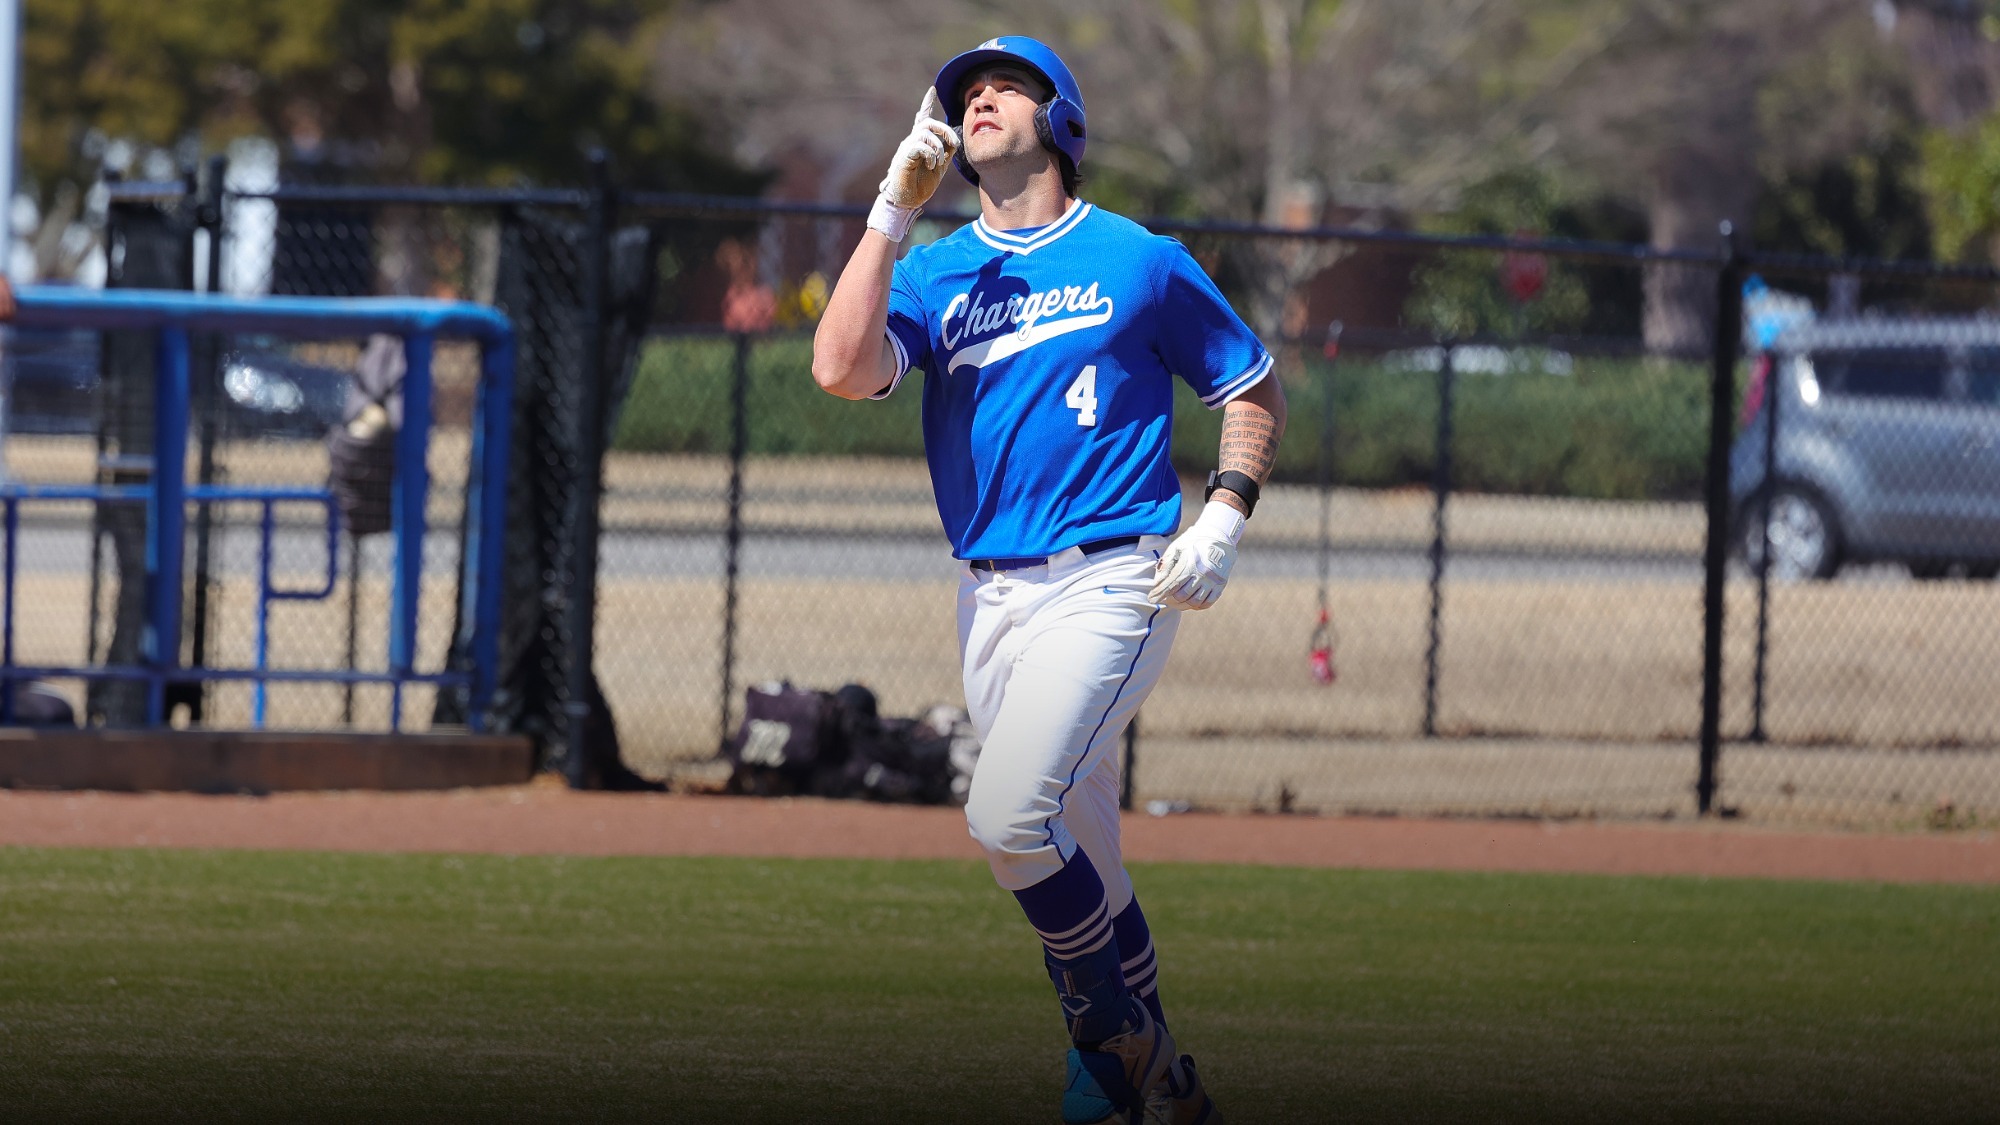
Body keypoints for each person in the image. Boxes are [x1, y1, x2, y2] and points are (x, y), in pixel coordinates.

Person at [811, 36, 1283, 1125]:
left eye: (1004, 85)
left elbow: (1250, 388)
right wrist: (889, 213)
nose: (977, 97)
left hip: (1111, 579)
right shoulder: (934, 272)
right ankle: (1155, 1090)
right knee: (1086, 861)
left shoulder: (1138, 258)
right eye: (962, 93)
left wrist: (1222, 514)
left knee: (1006, 816)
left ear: (1060, 120)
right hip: (989, 597)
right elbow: (839, 368)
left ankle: (1109, 1045)